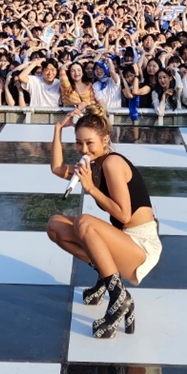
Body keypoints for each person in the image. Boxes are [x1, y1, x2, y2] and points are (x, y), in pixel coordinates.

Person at [46, 105, 161, 338]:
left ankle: (119, 298)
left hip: (141, 246)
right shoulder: (95, 165)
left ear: (105, 140)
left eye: (90, 143)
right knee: (55, 225)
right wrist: (58, 128)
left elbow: (124, 215)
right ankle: (106, 278)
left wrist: (89, 188)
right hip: (123, 240)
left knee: (84, 223)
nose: (83, 149)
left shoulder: (112, 163)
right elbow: (57, 168)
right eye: (78, 143)